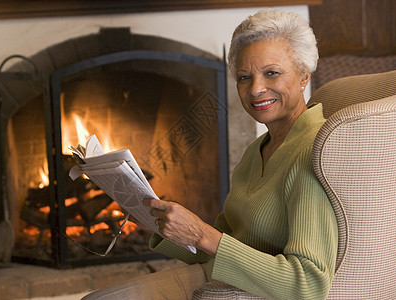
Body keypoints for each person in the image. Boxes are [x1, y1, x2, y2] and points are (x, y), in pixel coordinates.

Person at [83, 9, 338, 300]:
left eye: (272, 73)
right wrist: (156, 220)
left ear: (304, 76)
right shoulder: (258, 150)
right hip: (224, 275)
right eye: (244, 77)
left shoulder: (315, 151)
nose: (255, 89)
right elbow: (224, 245)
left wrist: (202, 234)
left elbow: (307, 284)